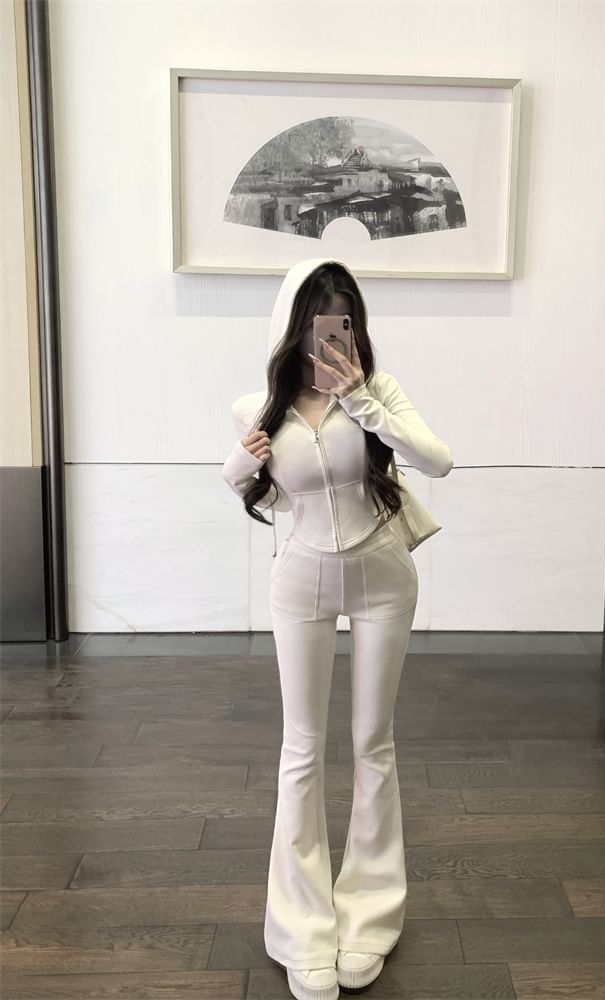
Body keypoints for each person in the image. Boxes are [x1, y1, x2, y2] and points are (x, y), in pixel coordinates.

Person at [221, 257, 453, 1000]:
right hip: (302, 579)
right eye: (319, 320)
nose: (330, 336)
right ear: (294, 325)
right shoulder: (257, 407)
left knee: (372, 743)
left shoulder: (377, 390)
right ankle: (301, 929)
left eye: (343, 319)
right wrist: (239, 461)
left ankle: (370, 917)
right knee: (302, 748)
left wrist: (363, 403)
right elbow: (251, 488)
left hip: (383, 571)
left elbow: (439, 462)